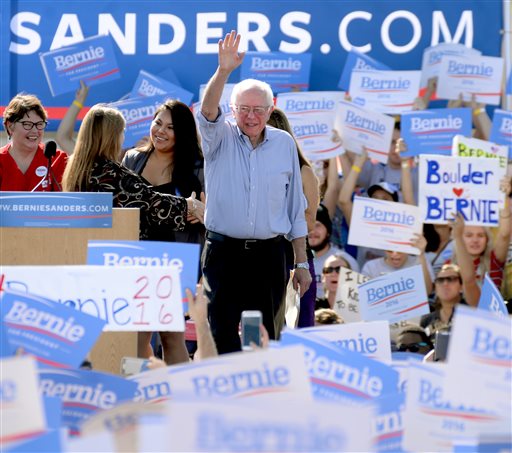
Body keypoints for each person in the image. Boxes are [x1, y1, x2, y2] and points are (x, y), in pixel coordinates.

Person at [197, 30, 311, 354]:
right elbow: (207, 113)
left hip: (269, 257)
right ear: (232, 110)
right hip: (224, 255)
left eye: (258, 109)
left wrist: (301, 263)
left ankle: (257, 401)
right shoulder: (218, 138)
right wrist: (223, 72)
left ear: (271, 109)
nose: (251, 116)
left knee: (261, 339)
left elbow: (294, 209)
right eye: (244, 109)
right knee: (222, 334)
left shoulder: (284, 143)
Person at [122, 99, 205, 365]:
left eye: (171, 127)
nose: (161, 131)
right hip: (134, 259)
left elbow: (210, 213)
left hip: (175, 261)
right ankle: (135, 397)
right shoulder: (132, 158)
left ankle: (178, 399)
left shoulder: (198, 167)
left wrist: (201, 211)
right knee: (135, 336)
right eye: (158, 122)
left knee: (171, 336)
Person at [61, 104, 204, 239]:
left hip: (84, 245)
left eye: (170, 127)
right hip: (117, 251)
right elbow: (148, 201)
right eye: (122, 132)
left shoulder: (77, 168)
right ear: (111, 137)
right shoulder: (110, 173)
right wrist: (189, 205)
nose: (122, 138)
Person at [267, 107, 320, 327]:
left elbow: (309, 222)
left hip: (294, 259)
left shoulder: (304, 171)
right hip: (264, 256)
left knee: (297, 326)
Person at [450, 176, 511, 291]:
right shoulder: (449, 265)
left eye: (481, 235)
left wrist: (505, 196)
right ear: (459, 238)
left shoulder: (494, 261)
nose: (475, 240)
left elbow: (504, 235)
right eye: (469, 235)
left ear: (487, 240)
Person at [1, 93, 67, 191]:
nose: (35, 131)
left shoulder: (57, 159)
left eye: (39, 124)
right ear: (10, 126)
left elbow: (67, 202)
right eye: (27, 124)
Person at [310, 204, 359, 299]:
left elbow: (354, 301)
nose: (312, 231)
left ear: (328, 231)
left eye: (317, 225)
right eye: (308, 226)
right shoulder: (291, 261)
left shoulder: (345, 261)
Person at [420, 264, 468, 339]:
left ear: (461, 286)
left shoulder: (471, 313)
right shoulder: (426, 320)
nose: (445, 284)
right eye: (440, 280)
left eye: (451, 279)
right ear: (435, 288)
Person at [56, 80, 90, 154]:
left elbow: (62, 138)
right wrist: (79, 101)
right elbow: (62, 138)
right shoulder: (92, 161)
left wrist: (80, 101)